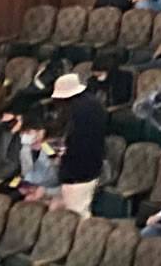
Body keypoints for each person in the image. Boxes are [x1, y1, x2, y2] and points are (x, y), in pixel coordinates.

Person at [53, 72, 107, 216]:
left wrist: (62, 155)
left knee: (78, 212)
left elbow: (75, 142)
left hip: (77, 170)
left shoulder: (76, 111)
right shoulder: (94, 104)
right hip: (93, 165)